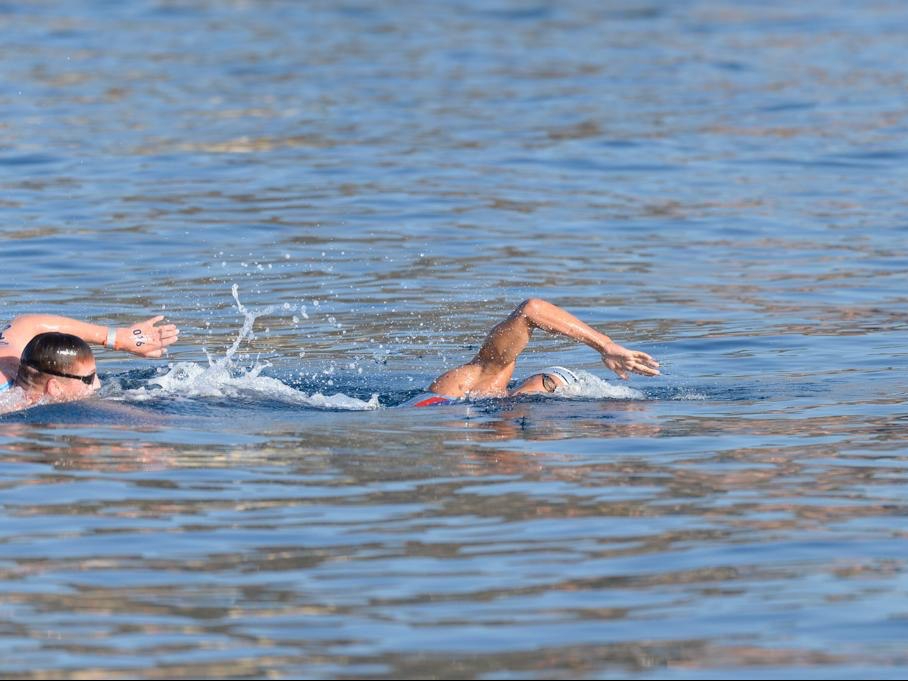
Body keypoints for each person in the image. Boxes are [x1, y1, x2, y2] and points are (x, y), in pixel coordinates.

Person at [406, 298, 659, 406]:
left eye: (551, 388)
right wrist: (605, 345)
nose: (542, 389)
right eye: (548, 382)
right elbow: (531, 310)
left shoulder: (503, 408)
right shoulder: (484, 378)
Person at [0, 314, 178, 413]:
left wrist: (119, 338)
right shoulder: (8, 410)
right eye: (89, 379)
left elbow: (27, 324)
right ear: (54, 388)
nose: (97, 383)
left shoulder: (8, 356)